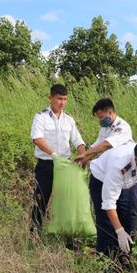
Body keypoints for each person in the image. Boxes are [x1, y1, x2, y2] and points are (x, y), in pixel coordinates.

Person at [89, 139, 137, 270]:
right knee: (107, 225)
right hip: (103, 180)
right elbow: (109, 204)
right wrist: (119, 231)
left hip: (130, 181)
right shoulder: (118, 166)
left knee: (130, 217)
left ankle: (124, 257)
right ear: (136, 160)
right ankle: (107, 265)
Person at [30, 84, 86, 234]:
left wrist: (84, 155)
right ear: (51, 98)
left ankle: (67, 235)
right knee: (40, 200)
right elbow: (37, 139)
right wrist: (54, 154)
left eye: (65, 99)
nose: (62, 102)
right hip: (46, 165)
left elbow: (78, 140)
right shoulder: (41, 117)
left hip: (66, 166)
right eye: (59, 98)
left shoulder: (69, 119)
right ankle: (34, 235)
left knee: (67, 202)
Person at [74, 98, 133, 167]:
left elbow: (106, 145)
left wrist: (84, 154)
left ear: (110, 112)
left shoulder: (122, 127)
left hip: (124, 165)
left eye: (101, 117)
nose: (100, 120)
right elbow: (97, 147)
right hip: (110, 164)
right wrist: (83, 161)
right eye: (99, 118)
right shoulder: (105, 128)